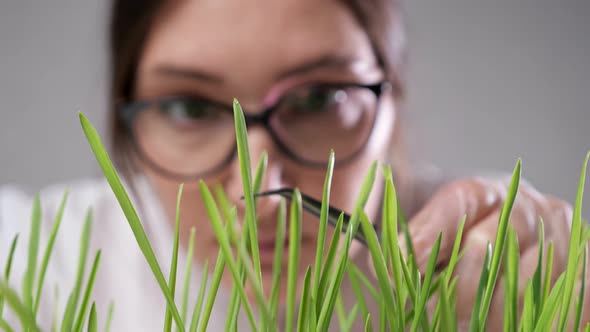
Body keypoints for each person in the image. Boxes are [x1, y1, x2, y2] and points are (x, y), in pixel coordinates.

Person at [0, 0, 587, 330]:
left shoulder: (494, 261)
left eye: (318, 100)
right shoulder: (23, 259)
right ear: (123, 123)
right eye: (190, 107)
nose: (260, 186)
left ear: (393, 104)